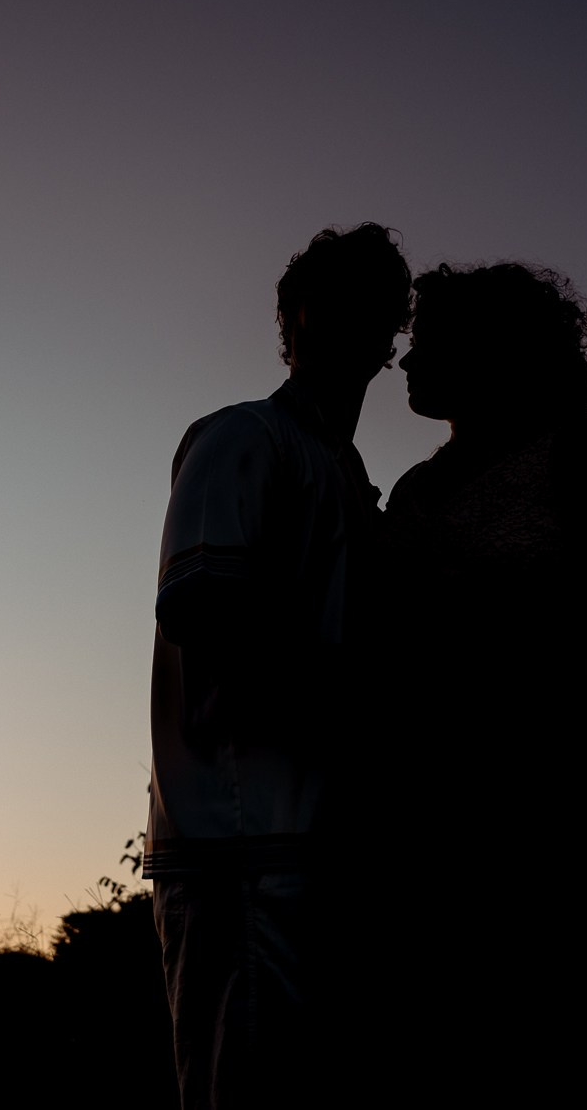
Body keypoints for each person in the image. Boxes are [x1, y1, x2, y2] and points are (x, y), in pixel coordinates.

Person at [370, 261, 587, 1094]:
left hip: (563, 813)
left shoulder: (580, 460)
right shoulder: (412, 491)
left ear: (490, 349)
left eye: (427, 344)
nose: (405, 360)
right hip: (432, 829)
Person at [145, 223, 413, 1110]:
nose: (355, 326)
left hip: (326, 847)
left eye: (377, 310)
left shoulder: (354, 482)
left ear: (391, 334)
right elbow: (203, 609)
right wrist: (361, 712)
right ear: (295, 318)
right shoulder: (242, 438)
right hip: (241, 846)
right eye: (331, 302)